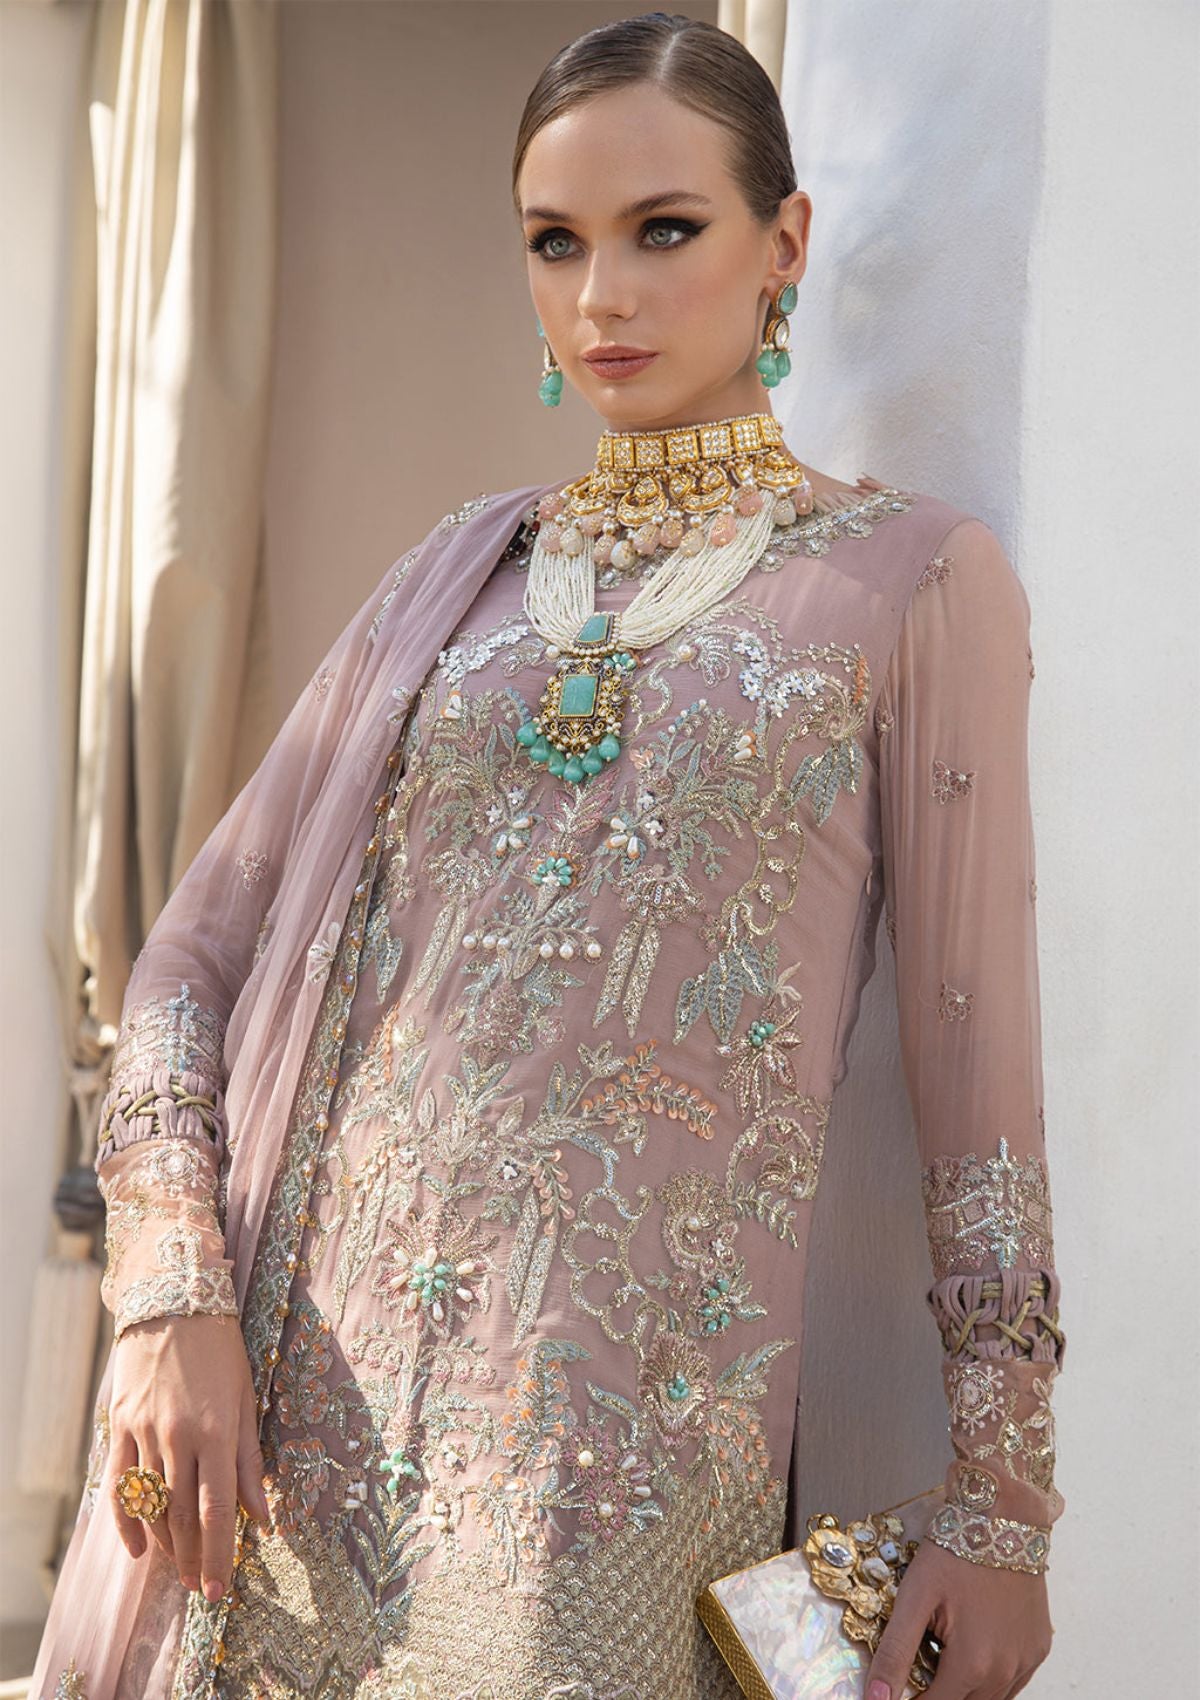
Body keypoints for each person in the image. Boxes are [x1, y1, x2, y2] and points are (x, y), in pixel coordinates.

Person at [29, 12, 1066, 1700]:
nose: (604, 297)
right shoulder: (451, 580)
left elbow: (981, 1081)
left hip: (618, 1494)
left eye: (665, 229)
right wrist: (165, 1305)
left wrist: (1004, 1505)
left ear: (785, 242)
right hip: (293, 1432)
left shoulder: (912, 582)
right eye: (556, 242)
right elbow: (188, 967)